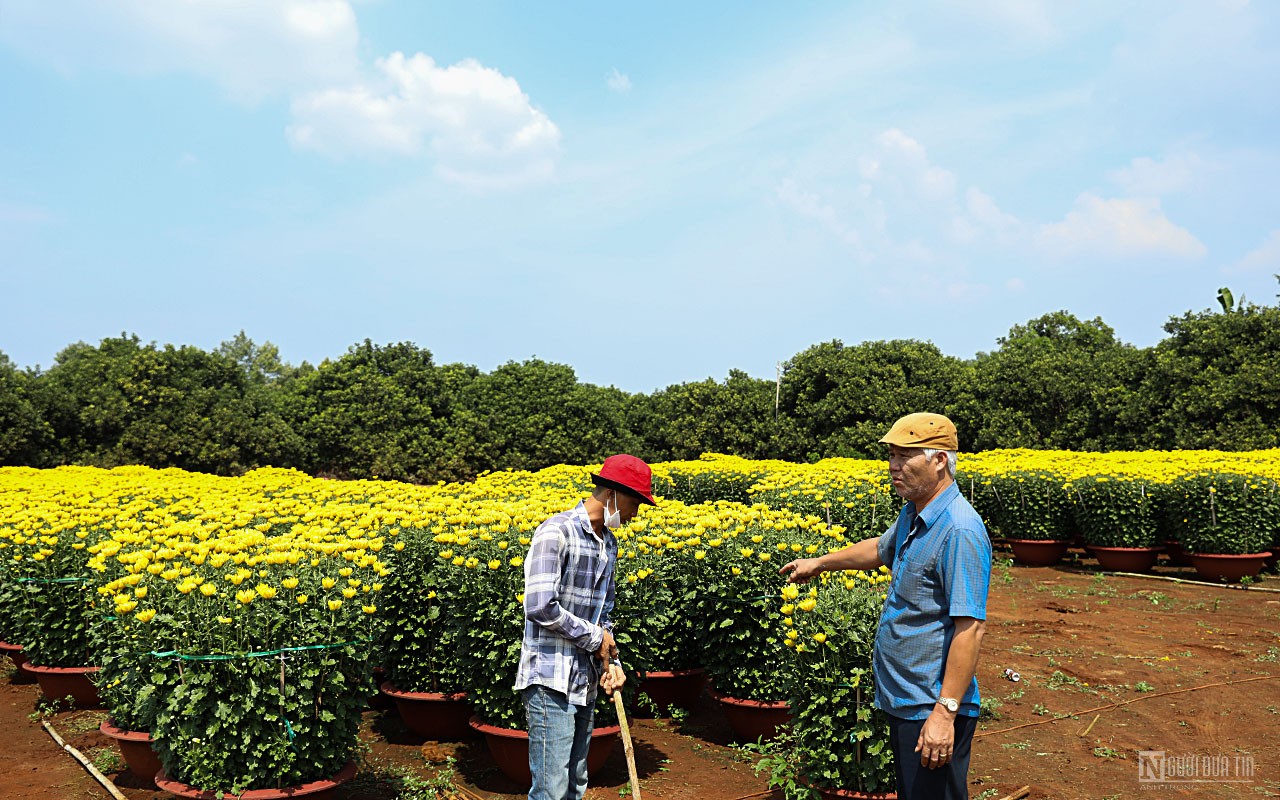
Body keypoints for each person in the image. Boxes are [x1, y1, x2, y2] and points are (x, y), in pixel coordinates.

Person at [779, 413, 991, 800]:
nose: (893, 467)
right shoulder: (915, 511)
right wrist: (820, 562)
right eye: (891, 456)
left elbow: (970, 629)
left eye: (904, 457)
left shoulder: (959, 529)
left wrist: (944, 714)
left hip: (931, 705)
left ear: (939, 460)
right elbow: (880, 549)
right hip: (906, 700)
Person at [515, 454, 657, 800]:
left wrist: (612, 663)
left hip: (585, 681)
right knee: (551, 789)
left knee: (576, 784)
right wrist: (595, 638)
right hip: (551, 680)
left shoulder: (608, 543)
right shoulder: (555, 532)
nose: (635, 513)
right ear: (612, 494)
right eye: (634, 502)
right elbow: (539, 606)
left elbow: (603, 616)